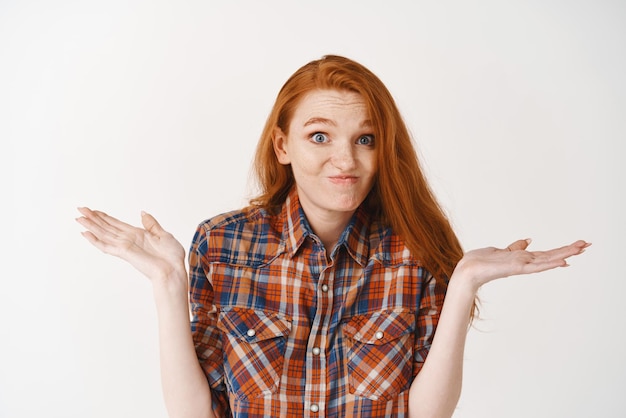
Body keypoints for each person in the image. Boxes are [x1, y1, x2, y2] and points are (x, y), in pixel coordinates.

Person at [76, 55, 589, 418]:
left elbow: (425, 415)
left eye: (364, 139)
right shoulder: (223, 243)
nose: (345, 161)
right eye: (319, 136)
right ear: (282, 145)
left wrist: (464, 283)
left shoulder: (414, 249)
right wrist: (168, 282)